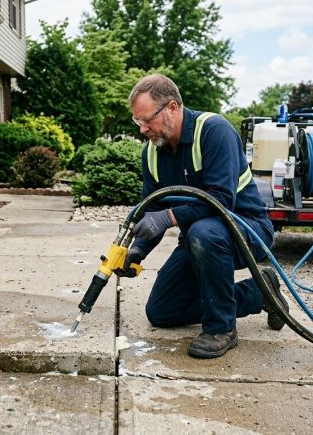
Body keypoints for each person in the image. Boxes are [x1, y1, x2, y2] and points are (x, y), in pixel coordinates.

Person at [116, 73, 289, 359]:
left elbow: (220, 201)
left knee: (204, 232)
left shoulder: (214, 131)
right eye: (138, 121)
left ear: (172, 107)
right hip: (199, 239)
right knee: (162, 311)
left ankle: (221, 329)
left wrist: (168, 217)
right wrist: (137, 250)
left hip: (246, 231)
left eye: (147, 120)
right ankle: (260, 293)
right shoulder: (152, 152)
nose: (143, 129)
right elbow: (153, 210)